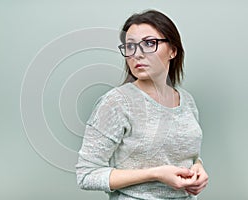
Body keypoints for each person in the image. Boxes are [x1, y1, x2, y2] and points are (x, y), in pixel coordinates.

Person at [76, 10, 208, 200]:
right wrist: (155, 174)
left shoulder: (187, 100)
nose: (137, 54)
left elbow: (187, 154)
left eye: (149, 43)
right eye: (130, 46)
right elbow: (87, 175)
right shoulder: (116, 103)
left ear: (173, 50)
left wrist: (198, 168)